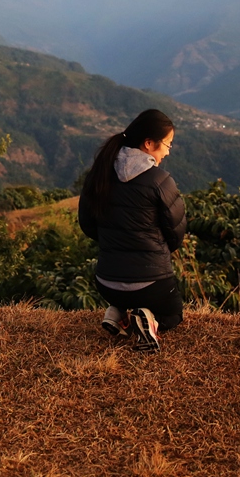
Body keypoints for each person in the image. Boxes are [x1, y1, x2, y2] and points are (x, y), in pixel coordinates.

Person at [78, 108, 186, 352]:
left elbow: (87, 224)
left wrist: (113, 242)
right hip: (152, 284)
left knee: (125, 295)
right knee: (173, 315)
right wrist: (157, 251)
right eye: (167, 144)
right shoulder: (160, 180)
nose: (168, 151)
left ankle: (117, 312)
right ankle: (148, 320)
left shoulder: (99, 173)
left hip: (106, 282)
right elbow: (176, 233)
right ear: (148, 143)